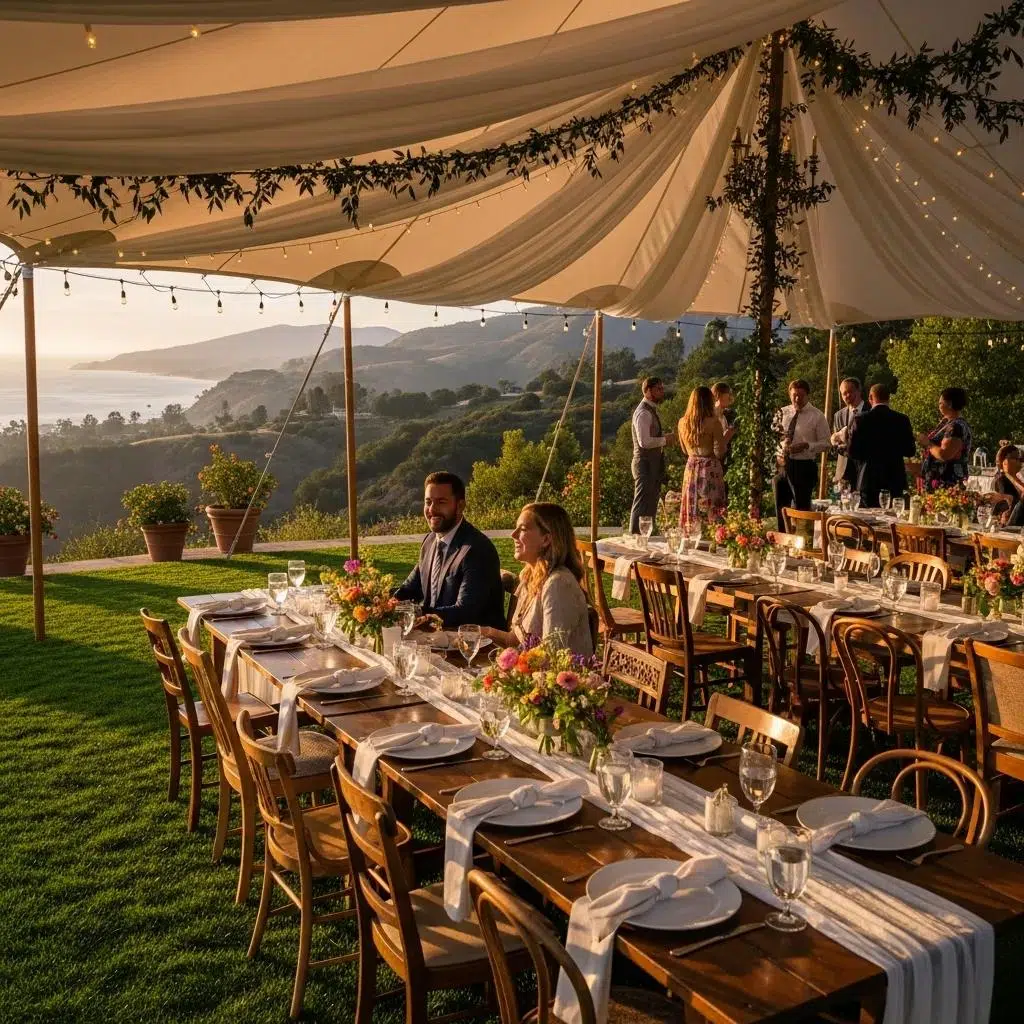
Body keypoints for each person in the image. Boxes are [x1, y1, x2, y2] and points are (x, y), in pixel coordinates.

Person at [477, 503, 594, 656]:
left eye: (523, 529)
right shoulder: (530, 576)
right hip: (531, 673)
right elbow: (515, 640)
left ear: (546, 539)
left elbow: (553, 654)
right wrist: (481, 632)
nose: (513, 534)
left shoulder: (558, 584)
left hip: (559, 677)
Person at [394, 471, 505, 629]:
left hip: (473, 644)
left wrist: (417, 613)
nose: (432, 509)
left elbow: (466, 612)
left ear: (460, 506)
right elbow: (410, 589)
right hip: (435, 636)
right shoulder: (430, 541)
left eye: (441, 502)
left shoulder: (476, 549)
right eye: (428, 502)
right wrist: (383, 604)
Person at [845, 383, 916, 505]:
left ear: (870, 398)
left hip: (868, 479)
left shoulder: (861, 419)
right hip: (895, 479)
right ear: (888, 398)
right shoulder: (902, 419)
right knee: (894, 520)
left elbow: (853, 452)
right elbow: (910, 450)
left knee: (868, 521)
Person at [773, 379, 830, 530]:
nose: (797, 399)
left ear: (807, 396)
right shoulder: (782, 412)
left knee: (801, 509)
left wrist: (807, 445)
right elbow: (772, 437)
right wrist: (778, 450)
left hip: (803, 466)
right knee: (781, 508)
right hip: (782, 466)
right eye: (794, 396)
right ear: (789, 394)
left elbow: (826, 443)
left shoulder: (817, 416)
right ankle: (784, 541)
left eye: (801, 396)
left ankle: (803, 543)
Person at [629, 376, 676, 534]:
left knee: (650, 507)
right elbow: (644, 442)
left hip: (652, 465)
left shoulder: (650, 411)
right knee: (642, 505)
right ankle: (635, 541)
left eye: (662, 388)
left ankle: (644, 541)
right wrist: (665, 440)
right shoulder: (643, 413)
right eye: (658, 389)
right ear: (648, 391)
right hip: (644, 464)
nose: (662, 392)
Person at [678, 386, 726, 526]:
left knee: (692, 505)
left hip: (691, 468)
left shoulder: (682, 422)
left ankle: (691, 535)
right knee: (712, 508)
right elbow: (719, 452)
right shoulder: (714, 422)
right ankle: (713, 538)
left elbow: (684, 450)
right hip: (709, 469)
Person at [918, 387, 973, 489]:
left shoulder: (956, 426)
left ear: (949, 404)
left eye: (940, 403)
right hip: (935, 481)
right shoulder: (946, 422)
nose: (938, 406)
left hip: (947, 483)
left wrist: (928, 443)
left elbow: (945, 454)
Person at [830, 376, 868, 490]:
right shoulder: (838, 415)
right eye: (843, 394)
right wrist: (838, 444)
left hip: (866, 470)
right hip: (845, 472)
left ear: (859, 390)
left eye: (850, 392)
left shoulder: (871, 411)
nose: (847, 396)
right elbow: (834, 446)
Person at [991, 443, 1024, 526]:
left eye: (1020, 459)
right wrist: (1010, 474)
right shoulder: (1002, 481)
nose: (1019, 461)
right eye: (1015, 458)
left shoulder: (1016, 479)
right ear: (1004, 462)